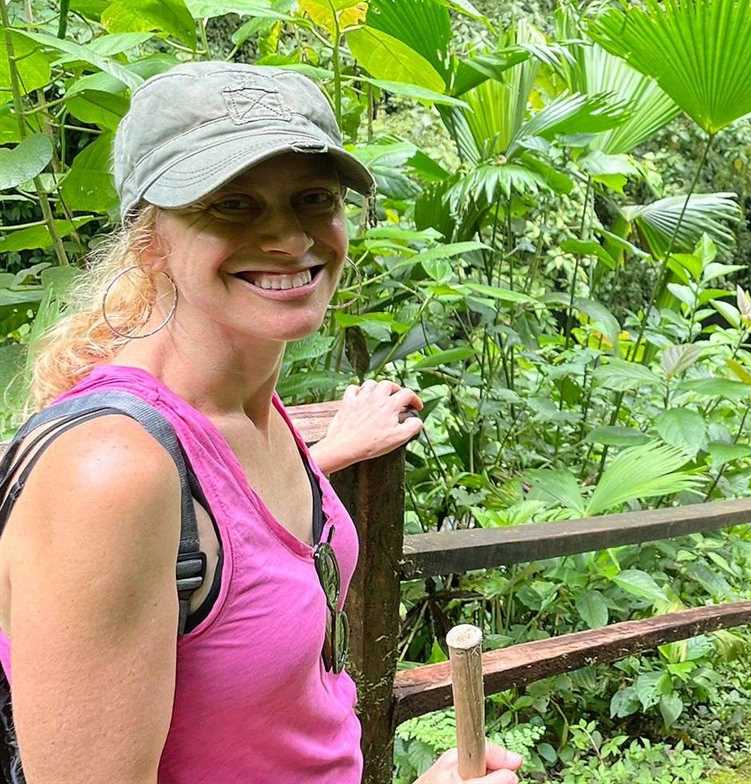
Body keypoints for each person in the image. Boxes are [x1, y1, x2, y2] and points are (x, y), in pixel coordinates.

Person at [0, 62, 522, 784]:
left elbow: (238, 540)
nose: (288, 237)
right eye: (233, 205)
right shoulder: (110, 475)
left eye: (313, 199)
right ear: (151, 240)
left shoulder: (248, 405)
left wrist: (330, 453)